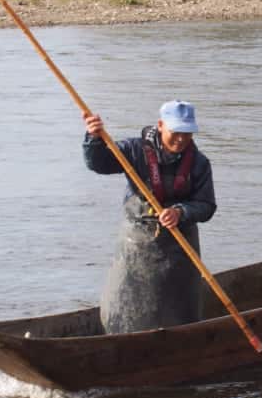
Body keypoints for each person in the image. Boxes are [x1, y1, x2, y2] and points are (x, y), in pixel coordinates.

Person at [83, 100, 216, 334]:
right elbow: (99, 163)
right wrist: (93, 138)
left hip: (179, 246)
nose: (181, 140)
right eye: (176, 132)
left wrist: (181, 212)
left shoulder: (199, 163)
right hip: (137, 241)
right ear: (161, 125)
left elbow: (206, 206)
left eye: (187, 133)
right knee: (127, 300)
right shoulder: (135, 150)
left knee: (179, 306)